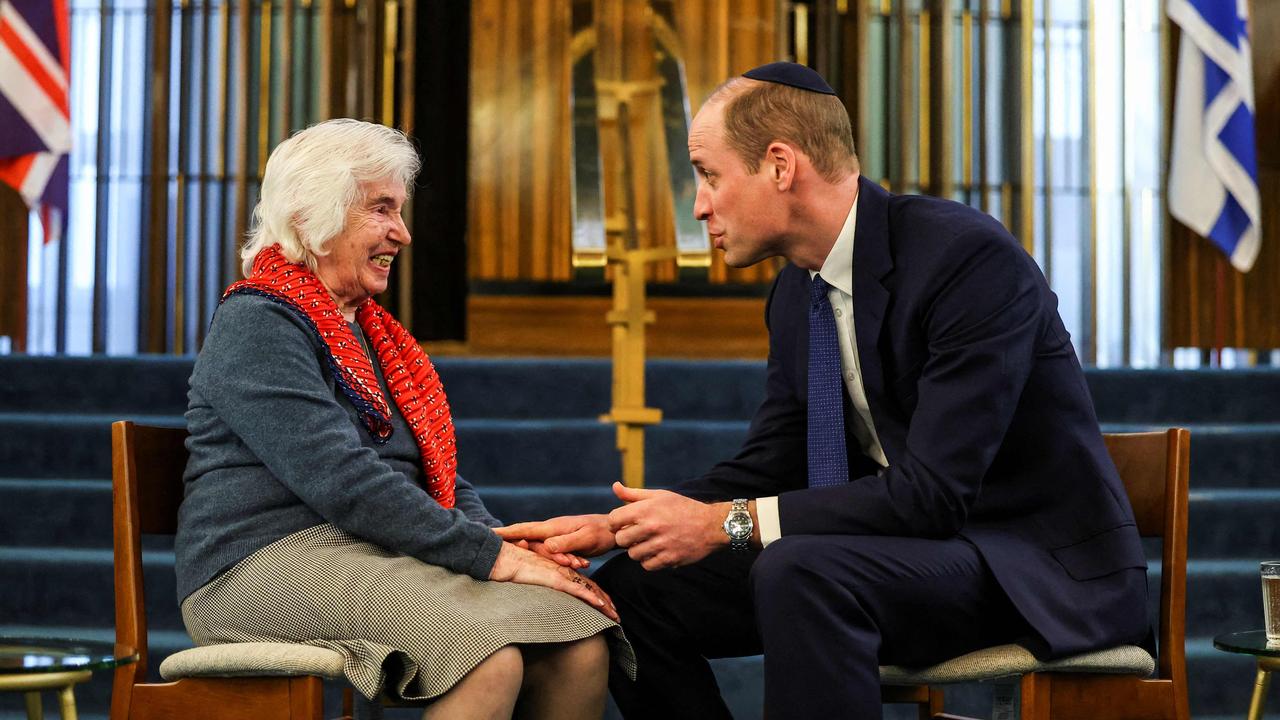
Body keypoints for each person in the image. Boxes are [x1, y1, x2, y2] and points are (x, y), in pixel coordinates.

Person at [496, 62, 1149, 719]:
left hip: (1025, 567)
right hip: (899, 555)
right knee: (635, 591)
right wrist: (621, 529)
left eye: (709, 174)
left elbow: (936, 495)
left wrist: (727, 525)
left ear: (780, 166)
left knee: (802, 569)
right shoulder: (795, 294)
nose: (697, 205)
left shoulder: (966, 260)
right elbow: (771, 463)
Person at [175, 118, 632, 720]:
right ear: (315, 218)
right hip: (257, 567)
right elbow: (346, 481)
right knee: (486, 655)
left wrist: (494, 536)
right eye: (382, 209)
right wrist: (488, 557)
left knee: (577, 638)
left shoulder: (371, 334)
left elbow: (429, 471)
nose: (403, 233)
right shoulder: (258, 322)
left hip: (369, 550)